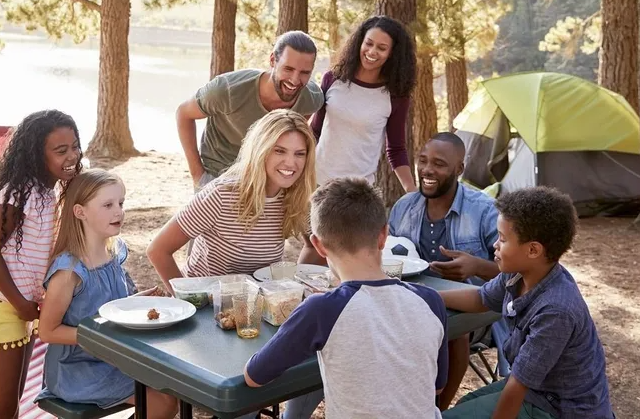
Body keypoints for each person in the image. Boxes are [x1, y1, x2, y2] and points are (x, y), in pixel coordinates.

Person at [244, 177, 449, 419]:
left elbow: (254, 376)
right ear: (384, 235)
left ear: (318, 246)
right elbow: (437, 386)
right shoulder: (431, 301)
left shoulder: (321, 309)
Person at [440, 187, 614, 419]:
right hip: (538, 390)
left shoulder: (556, 311)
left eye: (502, 239)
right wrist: (427, 295)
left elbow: (517, 386)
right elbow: (481, 298)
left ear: (533, 250)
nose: (495, 245)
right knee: (466, 402)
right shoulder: (519, 273)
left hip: (561, 408)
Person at [36, 169, 178, 418]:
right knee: (164, 400)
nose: (119, 212)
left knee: (174, 384)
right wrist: (99, 338)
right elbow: (48, 331)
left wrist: (141, 300)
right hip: (79, 368)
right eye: (108, 205)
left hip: (113, 357)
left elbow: (111, 307)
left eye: (121, 203)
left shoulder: (113, 253)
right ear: (80, 212)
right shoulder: (69, 271)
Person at [0, 109, 81, 419]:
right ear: (35, 154)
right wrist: (19, 302)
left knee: (12, 402)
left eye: (74, 146)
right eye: (61, 150)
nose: (72, 155)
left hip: (20, 306)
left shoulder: (48, 190)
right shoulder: (21, 191)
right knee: (2, 409)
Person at [388, 132, 508, 410]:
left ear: (459, 169)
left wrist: (477, 266)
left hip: (477, 313)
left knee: (452, 330)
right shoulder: (404, 208)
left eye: (439, 164)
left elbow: (516, 272)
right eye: (423, 161)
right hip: (414, 303)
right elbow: (388, 256)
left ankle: (438, 409)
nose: (428, 170)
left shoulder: (485, 211)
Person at [148, 109, 326, 286]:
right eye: (279, 151)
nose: (290, 162)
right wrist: (185, 300)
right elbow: (158, 250)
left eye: (299, 154)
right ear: (260, 150)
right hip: (207, 304)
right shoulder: (220, 195)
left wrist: (294, 289)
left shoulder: (297, 196)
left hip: (261, 304)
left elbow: (317, 246)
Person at [175, 30, 324, 192]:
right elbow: (183, 114)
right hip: (218, 174)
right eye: (288, 69)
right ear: (273, 60)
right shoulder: (227, 90)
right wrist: (198, 175)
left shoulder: (312, 99)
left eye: (304, 72)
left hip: (266, 180)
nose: (295, 80)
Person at [311, 15, 417, 191]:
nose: (372, 51)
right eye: (368, 43)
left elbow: (396, 150)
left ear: (392, 54)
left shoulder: (396, 96)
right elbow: (314, 131)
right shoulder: (333, 79)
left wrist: (412, 190)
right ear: (360, 42)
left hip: (358, 192)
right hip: (317, 183)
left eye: (382, 48)